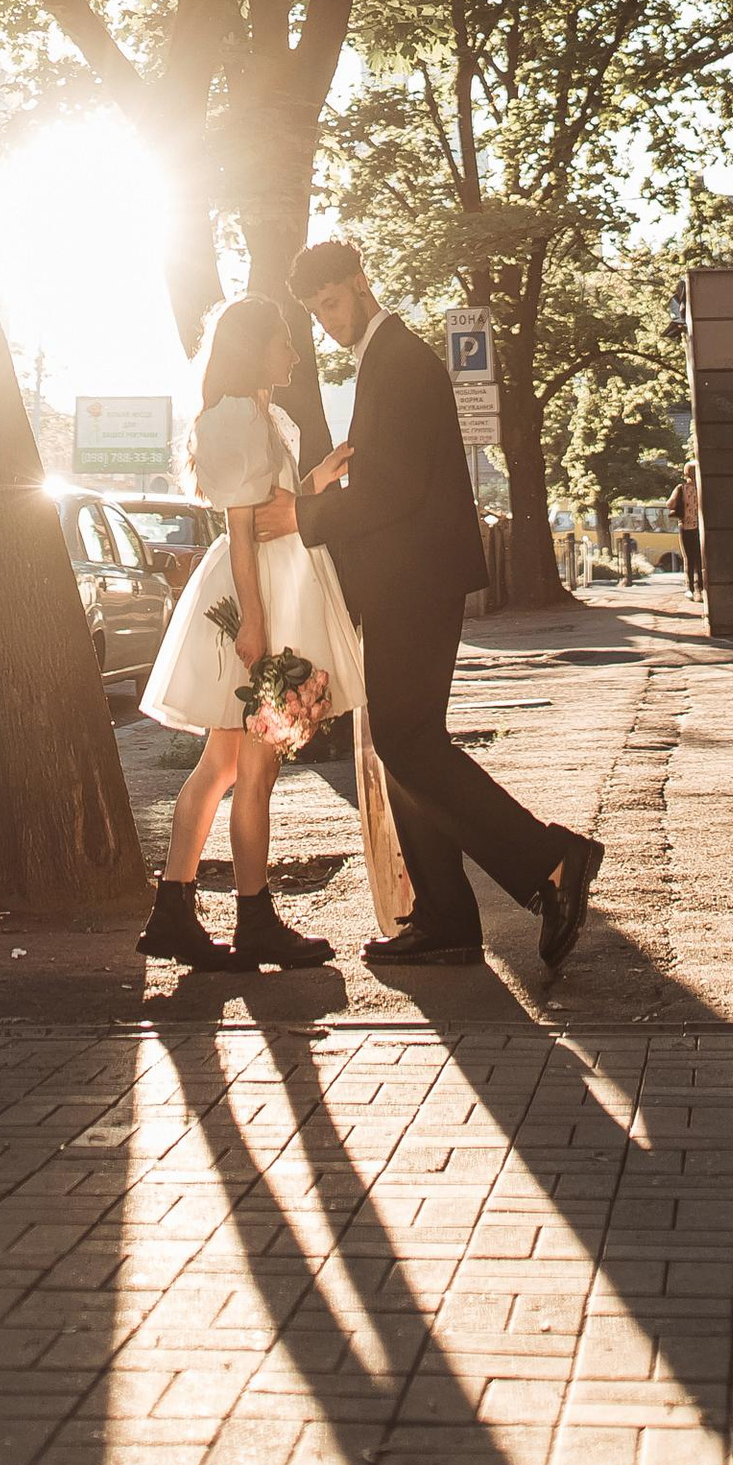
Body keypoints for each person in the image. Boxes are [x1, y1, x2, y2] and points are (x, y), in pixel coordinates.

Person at [260, 237, 603, 976]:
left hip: (415, 581)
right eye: (316, 316)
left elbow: (395, 491)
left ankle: (551, 860)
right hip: (405, 580)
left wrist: (305, 517)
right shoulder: (385, 364)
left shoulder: (401, 363)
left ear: (360, 283)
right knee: (406, 743)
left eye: (330, 305)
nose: (327, 324)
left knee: (411, 743)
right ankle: (447, 918)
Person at [135, 295, 346, 975]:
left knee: (225, 765)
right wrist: (255, 622)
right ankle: (253, 921)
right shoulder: (232, 416)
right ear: (253, 348)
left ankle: (174, 912)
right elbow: (240, 528)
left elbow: (270, 509)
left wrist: (316, 481)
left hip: (268, 589)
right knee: (252, 769)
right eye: (283, 340)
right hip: (254, 598)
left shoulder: (262, 414)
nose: (293, 351)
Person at [670, 462, 702, 599]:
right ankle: (700, 586)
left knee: (689, 557)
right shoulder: (702, 488)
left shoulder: (681, 488)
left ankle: (689, 588)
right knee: (701, 558)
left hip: (686, 526)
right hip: (701, 528)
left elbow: (670, 503)